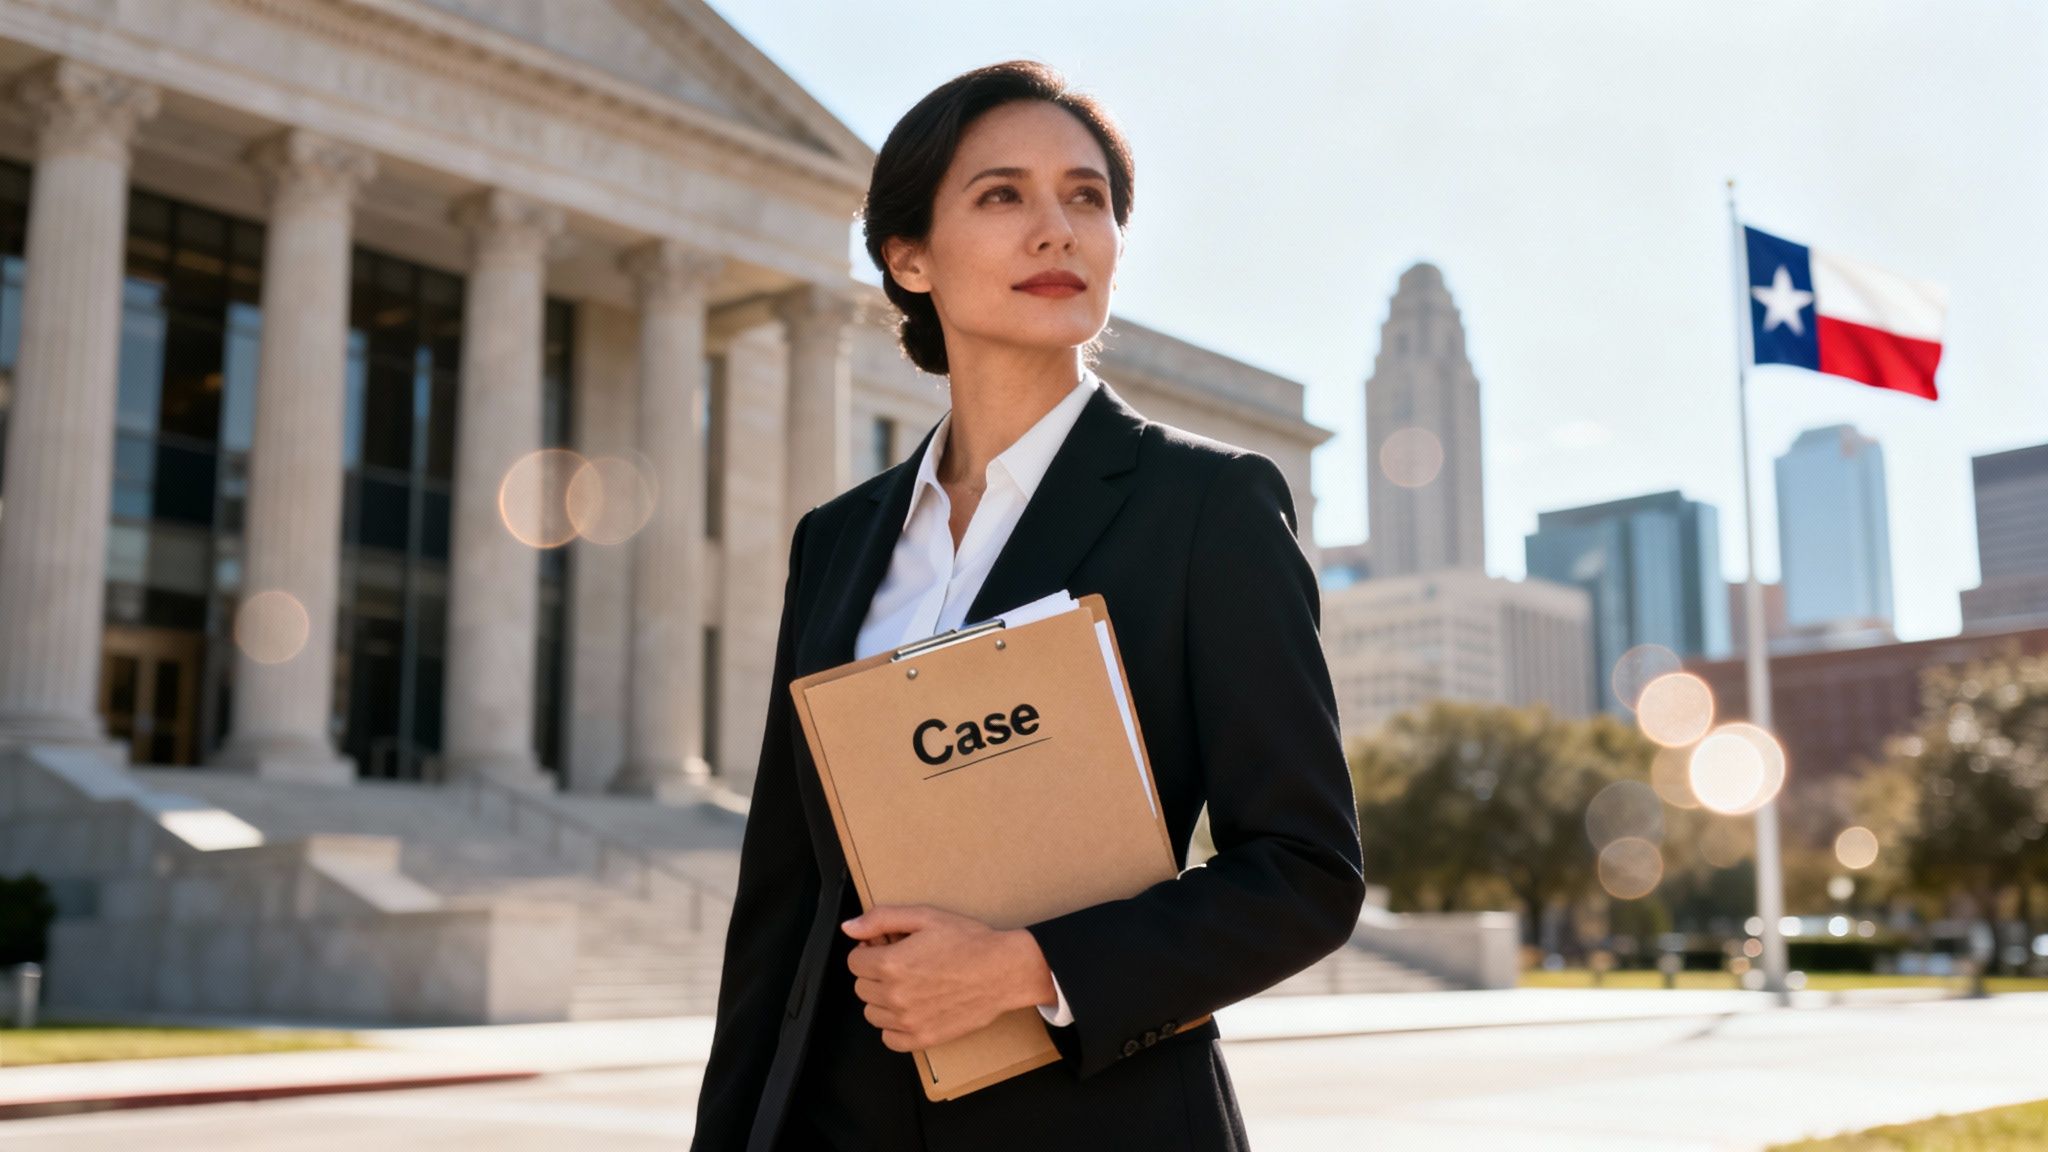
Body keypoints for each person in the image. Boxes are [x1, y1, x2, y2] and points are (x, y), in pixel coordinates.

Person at [690, 59, 1364, 1152]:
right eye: (1001, 195)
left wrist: (1028, 969)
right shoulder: (837, 542)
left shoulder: (1208, 507)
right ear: (907, 257)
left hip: (1102, 1122)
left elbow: (1302, 874)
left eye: (1085, 197)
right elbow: (782, 902)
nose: (1056, 229)